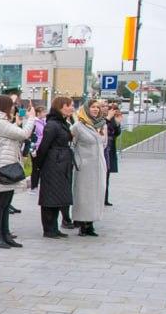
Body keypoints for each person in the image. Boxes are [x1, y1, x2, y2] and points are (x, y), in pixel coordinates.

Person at [0, 94, 32, 248]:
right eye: (11, 105)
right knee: (1, 202)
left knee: (6, 201)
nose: (13, 108)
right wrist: (31, 118)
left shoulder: (1, 121)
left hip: (9, 160)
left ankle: (5, 234)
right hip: (5, 164)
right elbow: (23, 134)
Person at [32, 96, 75, 239]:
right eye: (70, 105)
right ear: (61, 107)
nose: (72, 108)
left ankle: (54, 228)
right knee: (50, 196)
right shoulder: (52, 124)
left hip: (61, 163)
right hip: (53, 163)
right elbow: (44, 146)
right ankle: (48, 228)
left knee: (58, 196)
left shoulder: (62, 122)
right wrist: (38, 165)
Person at [70, 99, 108, 237]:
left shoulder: (101, 125)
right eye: (92, 107)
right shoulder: (78, 126)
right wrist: (78, 161)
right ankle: (82, 224)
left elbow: (103, 144)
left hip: (98, 165)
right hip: (85, 167)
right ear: (86, 109)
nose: (96, 110)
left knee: (97, 194)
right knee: (84, 195)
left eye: (97, 107)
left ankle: (91, 223)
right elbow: (71, 145)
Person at [103, 104, 121, 205]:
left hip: (110, 149)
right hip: (103, 150)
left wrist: (117, 124)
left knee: (107, 175)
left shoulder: (112, 119)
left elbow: (116, 133)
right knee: (102, 176)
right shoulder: (102, 119)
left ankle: (105, 198)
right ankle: (101, 198)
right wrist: (109, 118)